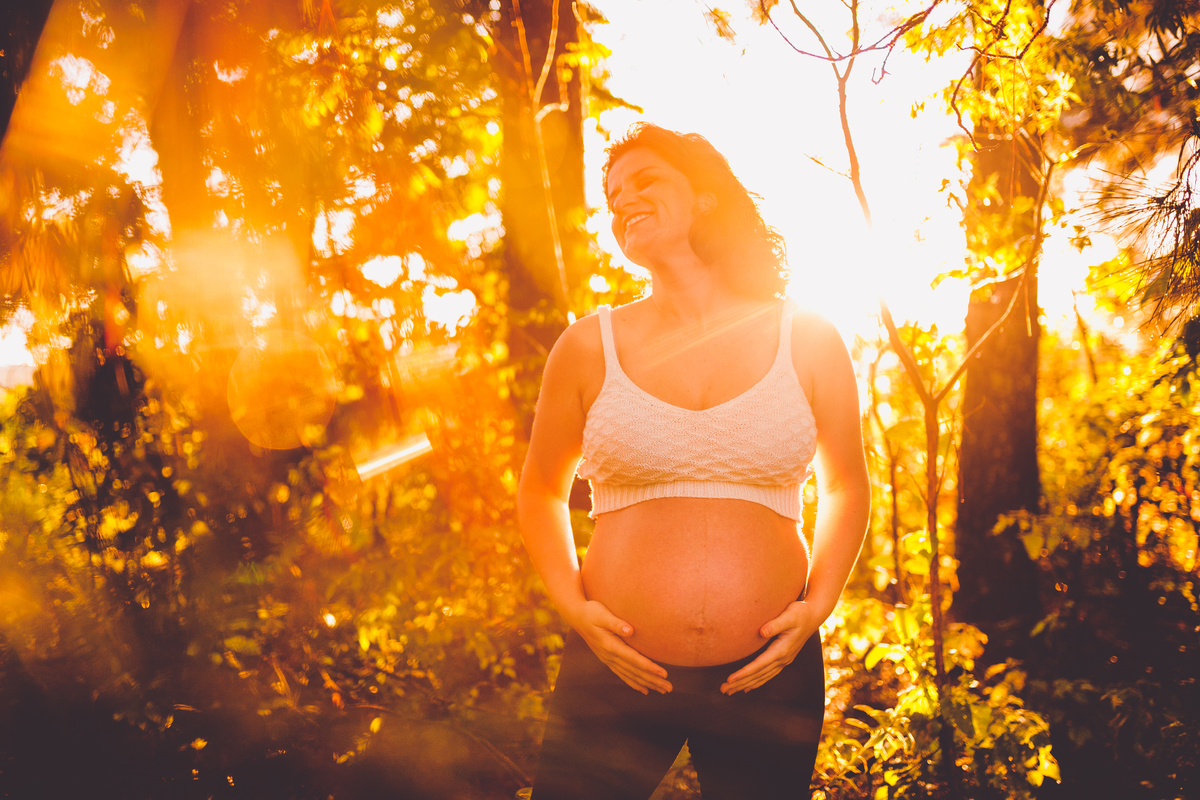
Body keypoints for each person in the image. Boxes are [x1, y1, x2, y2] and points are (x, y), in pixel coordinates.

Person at [517, 122, 870, 800]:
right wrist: (575, 609)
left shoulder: (808, 337)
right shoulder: (587, 346)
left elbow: (846, 486)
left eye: (645, 180)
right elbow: (541, 491)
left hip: (767, 676)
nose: (624, 200)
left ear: (705, 198)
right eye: (613, 195)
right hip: (614, 671)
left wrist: (817, 608)